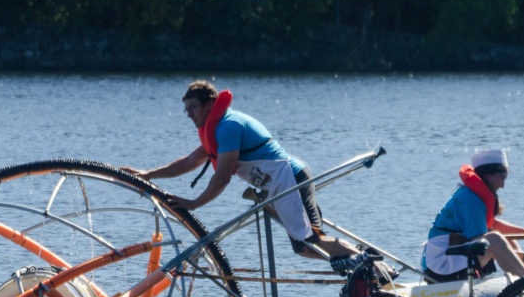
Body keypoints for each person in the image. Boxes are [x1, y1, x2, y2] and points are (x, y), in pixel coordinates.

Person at [123, 80, 358, 263]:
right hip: (278, 183)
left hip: (290, 179)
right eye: (186, 111)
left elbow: (222, 178)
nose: (190, 115)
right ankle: (355, 261)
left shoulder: (228, 126)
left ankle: (365, 262)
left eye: (193, 108)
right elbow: (188, 162)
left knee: (311, 241)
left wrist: (194, 204)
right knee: (303, 247)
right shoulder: (216, 129)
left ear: (210, 104)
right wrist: (147, 174)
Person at [421, 149, 524, 283]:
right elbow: (482, 244)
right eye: (501, 178)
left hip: (455, 256)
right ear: (487, 175)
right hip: (441, 265)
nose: (502, 185)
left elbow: (493, 225)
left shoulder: (475, 196)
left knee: (506, 239)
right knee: (496, 239)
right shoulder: (470, 199)